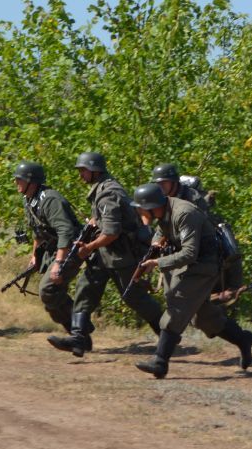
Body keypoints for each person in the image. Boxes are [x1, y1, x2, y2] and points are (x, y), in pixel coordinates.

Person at [129, 183, 252, 378]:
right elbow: (162, 231)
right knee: (203, 317)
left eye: (141, 208)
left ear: (151, 206)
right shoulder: (163, 212)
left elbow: (189, 253)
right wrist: (156, 243)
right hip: (190, 265)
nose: (139, 211)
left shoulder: (184, 213)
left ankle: (160, 361)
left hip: (204, 266)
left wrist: (157, 262)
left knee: (178, 303)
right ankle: (243, 339)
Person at [46, 152, 164, 357]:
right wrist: (93, 225)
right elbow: (103, 221)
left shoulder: (109, 193)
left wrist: (89, 247)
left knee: (135, 298)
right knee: (86, 289)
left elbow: (112, 232)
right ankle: (78, 339)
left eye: (83, 170)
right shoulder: (102, 189)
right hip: (105, 253)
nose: (81, 175)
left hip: (121, 255)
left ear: (95, 171)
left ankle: (167, 334)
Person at [153, 165, 244, 299]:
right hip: (178, 248)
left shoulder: (193, 199)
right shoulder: (162, 199)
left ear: (173, 183)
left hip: (197, 247)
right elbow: (161, 226)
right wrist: (155, 243)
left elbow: (192, 225)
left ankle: (232, 288)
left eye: (163, 183)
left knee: (226, 237)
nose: (161, 187)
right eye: (158, 184)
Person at [13, 161, 82, 333]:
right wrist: (34, 256)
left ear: (32, 182)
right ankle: (76, 333)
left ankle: (81, 326)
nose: (16, 183)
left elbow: (65, 231)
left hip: (71, 249)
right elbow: (38, 231)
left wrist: (58, 263)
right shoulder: (29, 200)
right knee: (50, 298)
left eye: (19, 179)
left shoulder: (50, 200)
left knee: (47, 289)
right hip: (56, 249)